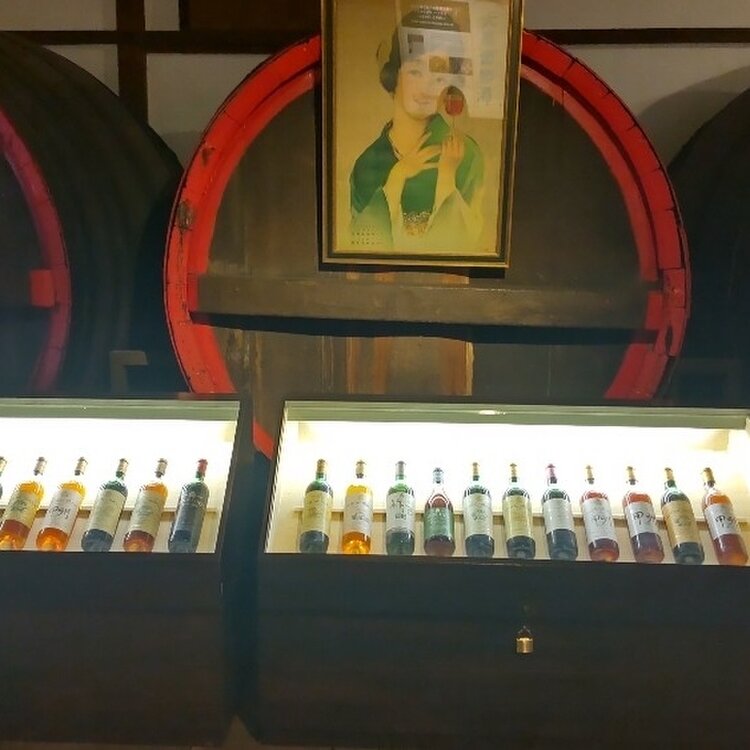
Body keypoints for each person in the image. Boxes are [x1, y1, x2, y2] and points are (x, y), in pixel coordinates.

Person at [349, 11, 485, 255]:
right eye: (415, 71)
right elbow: (359, 249)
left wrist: (447, 177)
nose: (427, 87)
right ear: (394, 75)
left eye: (439, 75)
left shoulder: (466, 156)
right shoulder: (367, 164)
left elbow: (467, 248)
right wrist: (396, 178)